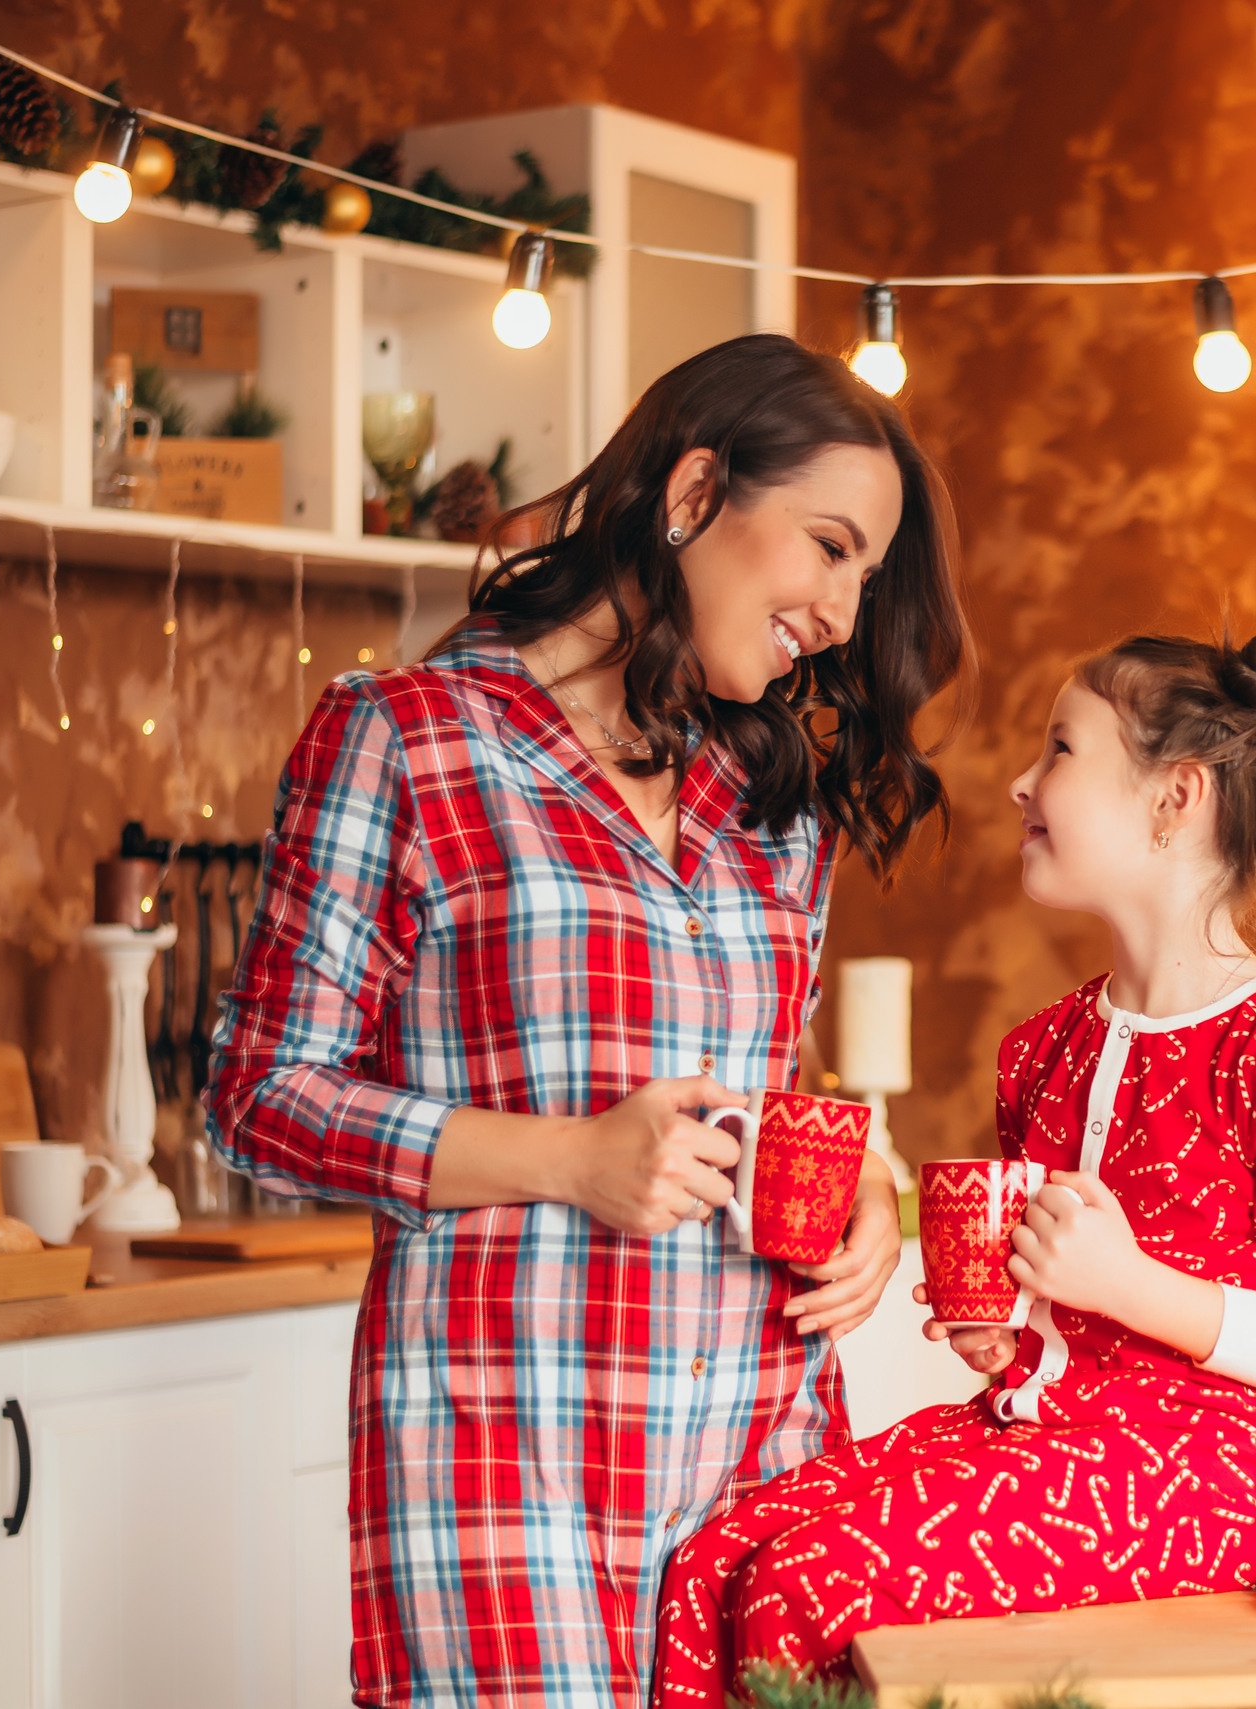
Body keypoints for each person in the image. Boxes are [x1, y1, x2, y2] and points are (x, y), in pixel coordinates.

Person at [207, 333, 971, 1708]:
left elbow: (755, 1086)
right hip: (502, 1460)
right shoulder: (407, 738)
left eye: (869, 574)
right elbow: (261, 1096)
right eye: (831, 546)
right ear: (691, 495)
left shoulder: (773, 808)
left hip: (763, 1448)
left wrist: (859, 1184)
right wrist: (568, 1160)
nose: (848, 614)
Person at [654, 631, 1256, 1697]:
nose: (1022, 778)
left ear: (1176, 797)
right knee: (712, 1558)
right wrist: (1008, 1324)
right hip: (1041, 1428)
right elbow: (1054, 1322)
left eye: (1060, 749)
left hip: (1217, 1469)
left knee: (807, 1578)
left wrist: (1128, 1285)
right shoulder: (1045, 1050)